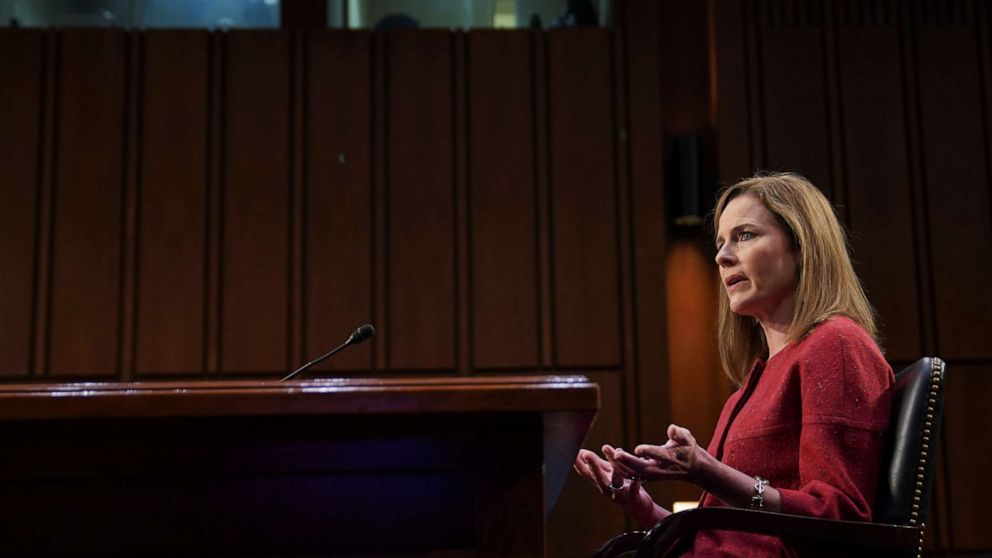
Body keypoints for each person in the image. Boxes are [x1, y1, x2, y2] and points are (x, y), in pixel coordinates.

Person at [573, 172, 894, 556]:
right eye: (720, 242)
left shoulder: (835, 345)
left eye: (745, 235)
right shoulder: (757, 377)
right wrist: (640, 505)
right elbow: (725, 535)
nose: (722, 256)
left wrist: (707, 470)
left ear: (802, 247)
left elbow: (838, 519)